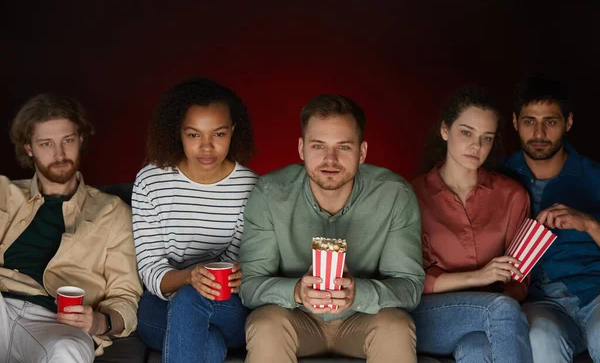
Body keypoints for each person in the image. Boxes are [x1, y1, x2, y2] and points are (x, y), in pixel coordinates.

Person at [239, 94, 424, 363]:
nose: (330, 159)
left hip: (363, 319)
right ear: (302, 149)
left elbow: (410, 286)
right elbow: (249, 284)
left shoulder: (395, 194)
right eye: (318, 146)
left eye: (344, 147)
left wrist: (358, 293)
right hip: (297, 319)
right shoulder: (269, 193)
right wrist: (296, 292)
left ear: (361, 152)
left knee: (396, 326)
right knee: (265, 324)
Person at [0, 94, 142, 363]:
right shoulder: (4, 194)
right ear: (29, 148)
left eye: (67, 140)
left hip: (57, 323)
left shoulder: (112, 212)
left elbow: (125, 295)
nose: (59, 154)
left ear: (81, 139)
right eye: (45, 144)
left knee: (69, 350)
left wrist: (100, 322)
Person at [132, 77, 259, 363]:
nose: (206, 147)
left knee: (192, 301)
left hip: (226, 307)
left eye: (219, 134)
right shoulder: (151, 182)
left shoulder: (250, 186)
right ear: (178, 132)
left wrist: (241, 274)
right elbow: (150, 267)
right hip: (161, 306)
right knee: (205, 339)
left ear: (233, 132)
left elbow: (243, 260)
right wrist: (190, 277)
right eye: (193, 135)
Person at [410, 86, 534, 363]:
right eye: (466, 132)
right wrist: (480, 276)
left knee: (477, 349)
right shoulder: (411, 196)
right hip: (428, 316)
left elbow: (520, 281)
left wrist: (495, 284)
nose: (476, 146)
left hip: (491, 316)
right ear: (445, 130)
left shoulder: (512, 196)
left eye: (486, 138)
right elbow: (408, 279)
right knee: (501, 310)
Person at [504, 74, 600, 363]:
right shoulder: (498, 178)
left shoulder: (594, 176)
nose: (539, 132)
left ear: (568, 123)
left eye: (551, 121)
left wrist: (589, 224)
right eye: (529, 120)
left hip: (595, 294)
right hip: (540, 302)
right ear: (514, 122)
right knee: (538, 335)